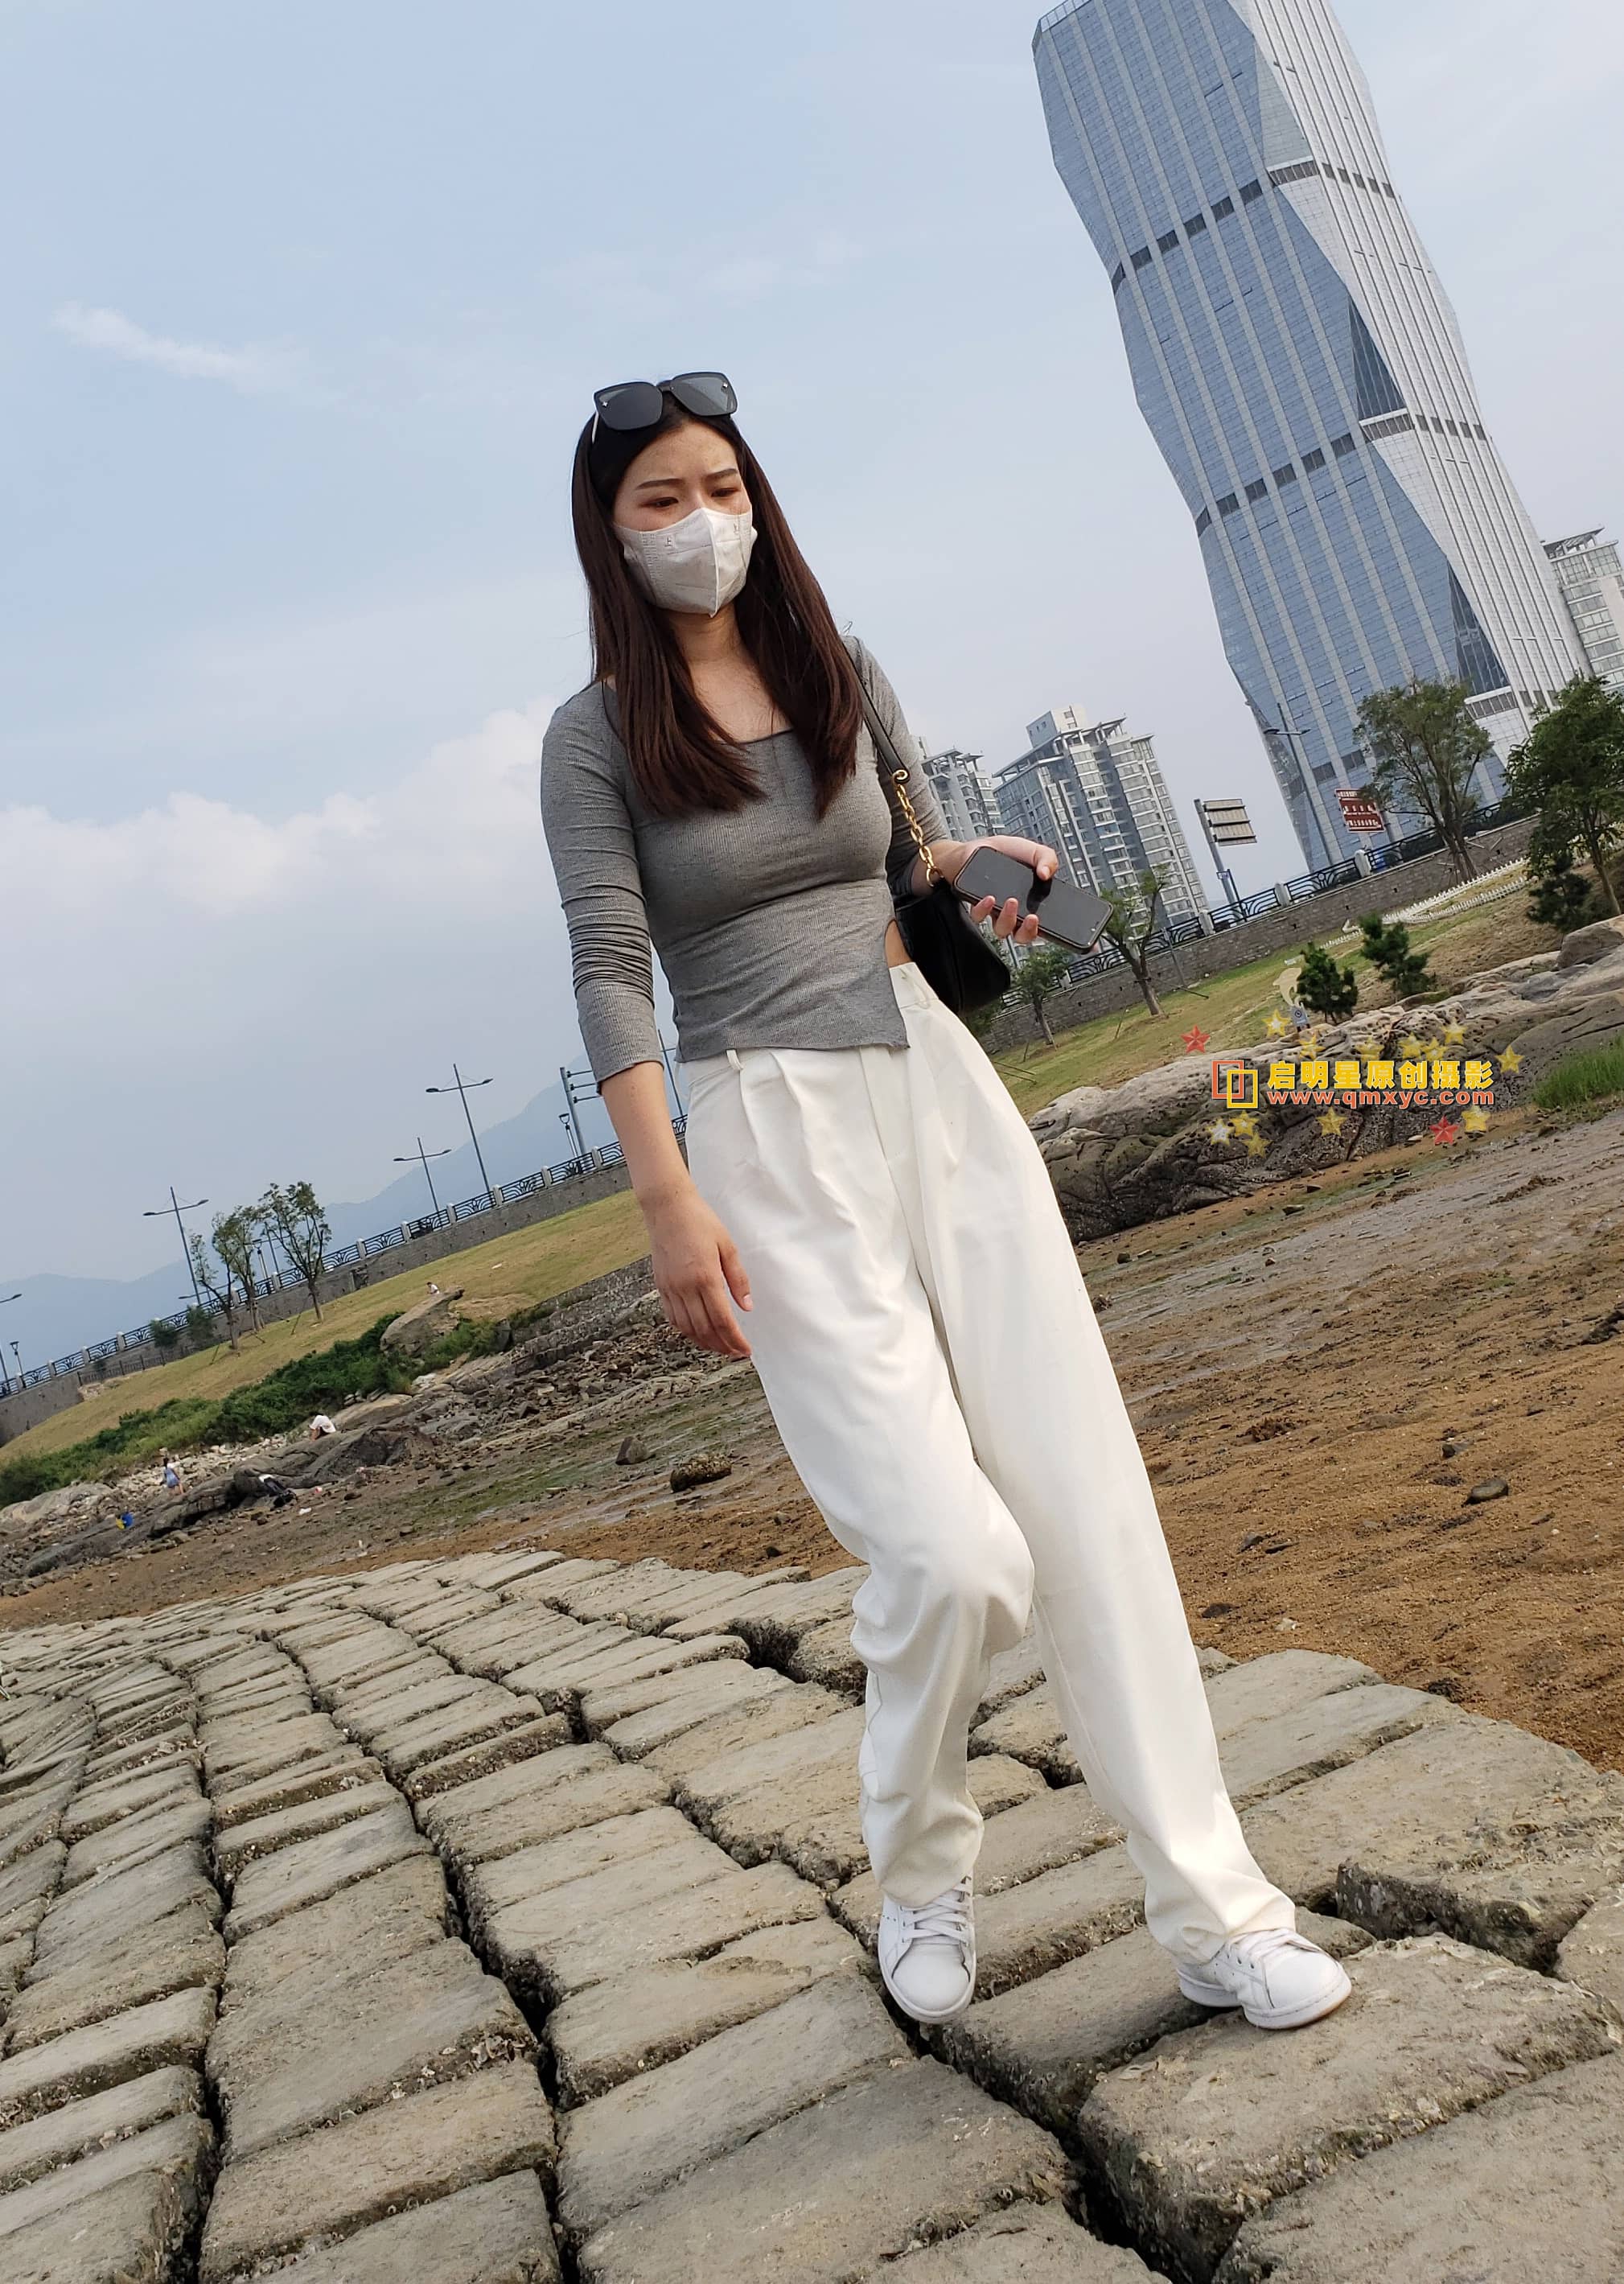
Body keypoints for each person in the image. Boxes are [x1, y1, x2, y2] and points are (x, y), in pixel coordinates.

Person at [538, 371, 1350, 2035]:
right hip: (764, 1130)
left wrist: (991, 867)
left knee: (1083, 1502)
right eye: (661, 501)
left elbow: (905, 863)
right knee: (950, 1555)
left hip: (933, 1082)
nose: (701, 523)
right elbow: (610, 964)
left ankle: (1217, 1914)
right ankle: (918, 1860)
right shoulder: (594, 737)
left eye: (719, 488)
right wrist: (665, 1196)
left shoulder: (837, 666)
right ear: (609, 534)